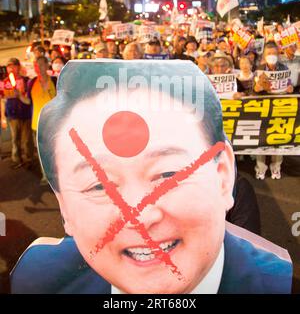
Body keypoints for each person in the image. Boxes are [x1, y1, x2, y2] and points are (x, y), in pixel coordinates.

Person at [11, 61, 292, 294]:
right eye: (100, 185)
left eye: (170, 174)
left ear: (223, 175)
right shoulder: (36, 282)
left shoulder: (279, 285)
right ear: (64, 208)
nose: (138, 215)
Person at [254, 42, 293, 180]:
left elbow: (289, 85)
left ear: (278, 54)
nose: (272, 56)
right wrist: (257, 87)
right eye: (269, 54)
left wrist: (290, 89)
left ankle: (276, 167)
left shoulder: (284, 68)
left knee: (278, 137)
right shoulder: (259, 69)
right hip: (264, 107)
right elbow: (253, 89)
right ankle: (260, 168)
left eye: (274, 54)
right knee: (262, 138)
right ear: (264, 56)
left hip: (280, 107)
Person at [1, 58, 33, 168]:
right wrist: (3, 118)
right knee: (15, 139)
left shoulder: (26, 80)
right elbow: (2, 99)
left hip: (26, 113)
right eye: (9, 66)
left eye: (14, 66)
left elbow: (30, 98)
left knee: (27, 139)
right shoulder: (4, 82)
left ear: (18, 67)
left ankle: (29, 158)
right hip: (12, 115)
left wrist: (20, 94)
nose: (11, 68)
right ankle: (17, 159)